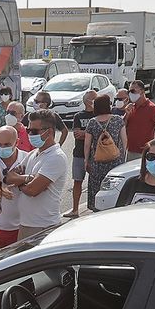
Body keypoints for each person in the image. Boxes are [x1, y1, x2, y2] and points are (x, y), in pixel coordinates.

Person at [11, 110, 68, 239]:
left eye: (34, 131)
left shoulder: (56, 157)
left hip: (43, 226)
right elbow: (9, 177)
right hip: (26, 224)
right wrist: (28, 179)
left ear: (49, 132)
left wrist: (19, 182)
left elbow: (33, 190)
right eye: (28, 130)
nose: (30, 134)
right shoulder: (33, 154)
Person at [81, 94, 126, 212]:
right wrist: (122, 157)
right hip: (115, 162)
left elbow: (87, 144)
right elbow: (124, 140)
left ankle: (97, 210)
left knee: (97, 188)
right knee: (114, 187)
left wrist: (86, 160)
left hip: (97, 162)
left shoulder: (92, 122)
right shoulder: (118, 120)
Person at [0, 126, 26, 247]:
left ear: (17, 142)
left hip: (23, 226)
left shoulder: (27, 159)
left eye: (7, 144)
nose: (2, 148)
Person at [66, 89, 97, 217]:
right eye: (93, 98)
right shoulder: (78, 116)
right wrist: (91, 133)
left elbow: (100, 135)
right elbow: (77, 134)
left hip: (96, 154)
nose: (95, 101)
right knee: (77, 181)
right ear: (86, 101)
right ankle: (75, 209)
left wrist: (85, 133)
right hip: (79, 153)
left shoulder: (99, 115)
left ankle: (96, 208)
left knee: (96, 181)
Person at [123, 86, 155, 160]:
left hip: (144, 152)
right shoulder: (131, 108)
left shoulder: (151, 108)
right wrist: (127, 115)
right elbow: (123, 126)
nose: (131, 94)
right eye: (129, 92)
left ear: (142, 91)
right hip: (129, 150)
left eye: (133, 91)